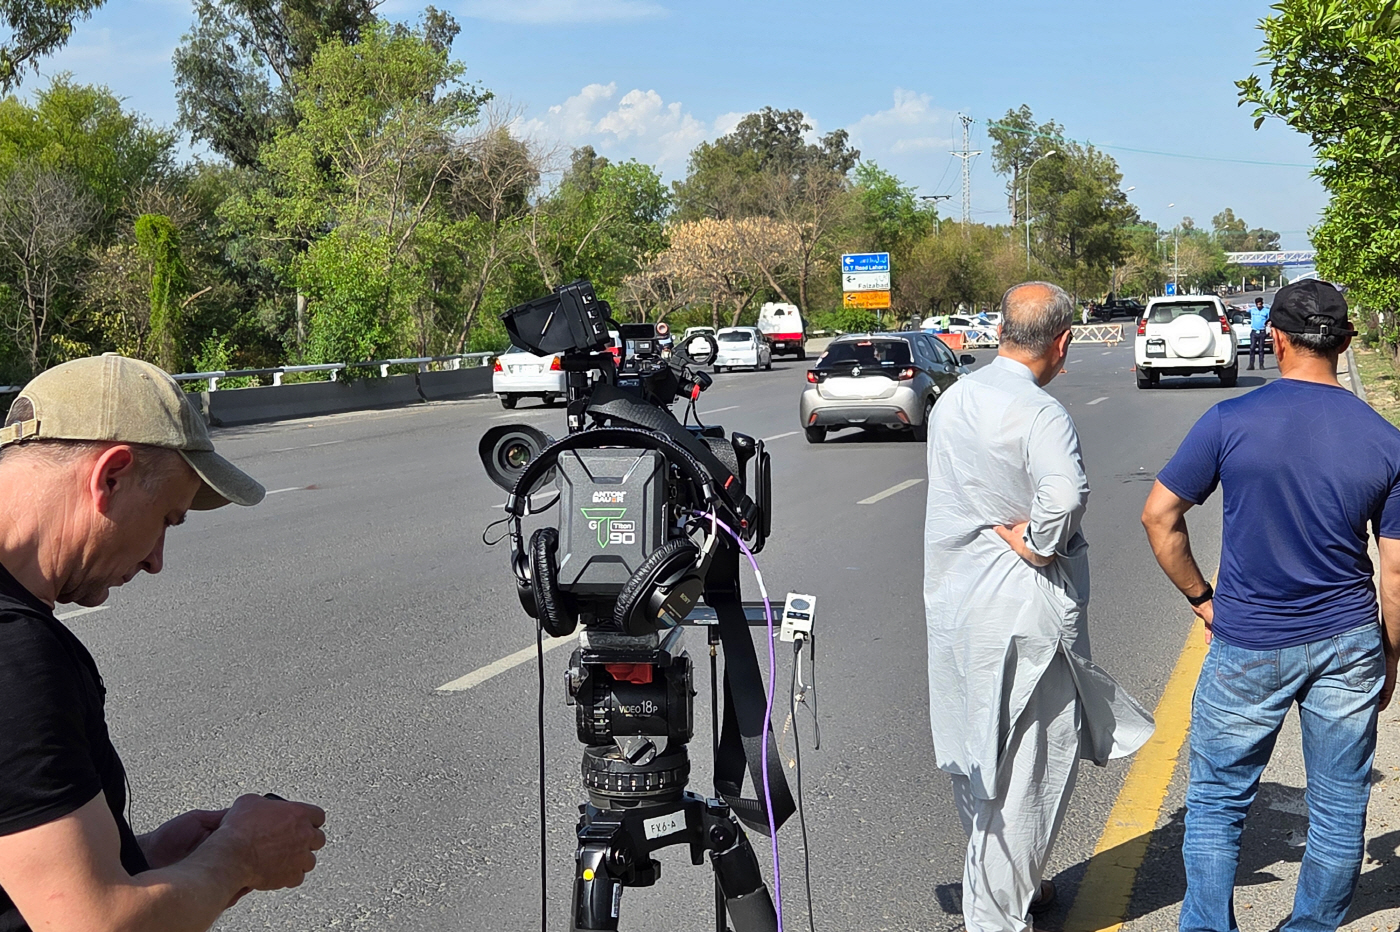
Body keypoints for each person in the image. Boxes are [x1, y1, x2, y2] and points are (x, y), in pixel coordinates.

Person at [0, 355, 328, 932]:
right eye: (167, 520)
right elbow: (94, 925)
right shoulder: (15, 655)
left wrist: (144, 858)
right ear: (110, 477)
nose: (156, 561)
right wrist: (238, 857)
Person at [1141, 279, 1400, 932]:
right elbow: (1396, 571)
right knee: (1339, 806)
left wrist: (1203, 599)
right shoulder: (1386, 440)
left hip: (1248, 639)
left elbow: (1160, 517)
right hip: (1348, 640)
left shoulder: (1229, 421)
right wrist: (1391, 656)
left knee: (1217, 802)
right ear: (1345, 343)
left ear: (1276, 339)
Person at [925, 282, 1154, 932]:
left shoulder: (954, 399)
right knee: (1027, 776)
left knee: (979, 758)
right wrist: (1038, 543)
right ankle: (998, 915)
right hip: (1026, 618)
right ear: (1063, 342)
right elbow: (1066, 494)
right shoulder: (1040, 412)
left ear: (1001, 331)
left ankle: (1018, 886)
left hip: (959, 610)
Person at [1248, 296, 1270, 370]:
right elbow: (1242, 309)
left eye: (1260, 304)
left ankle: (1261, 364)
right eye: (1257, 304)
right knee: (1252, 348)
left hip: (1262, 332)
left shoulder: (1266, 311)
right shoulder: (1252, 310)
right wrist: (1230, 305)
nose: (1258, 306)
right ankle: (1251, 365)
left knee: (1261, 349)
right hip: (1254, 332)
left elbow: (1270, 319)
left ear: (1262, 304)